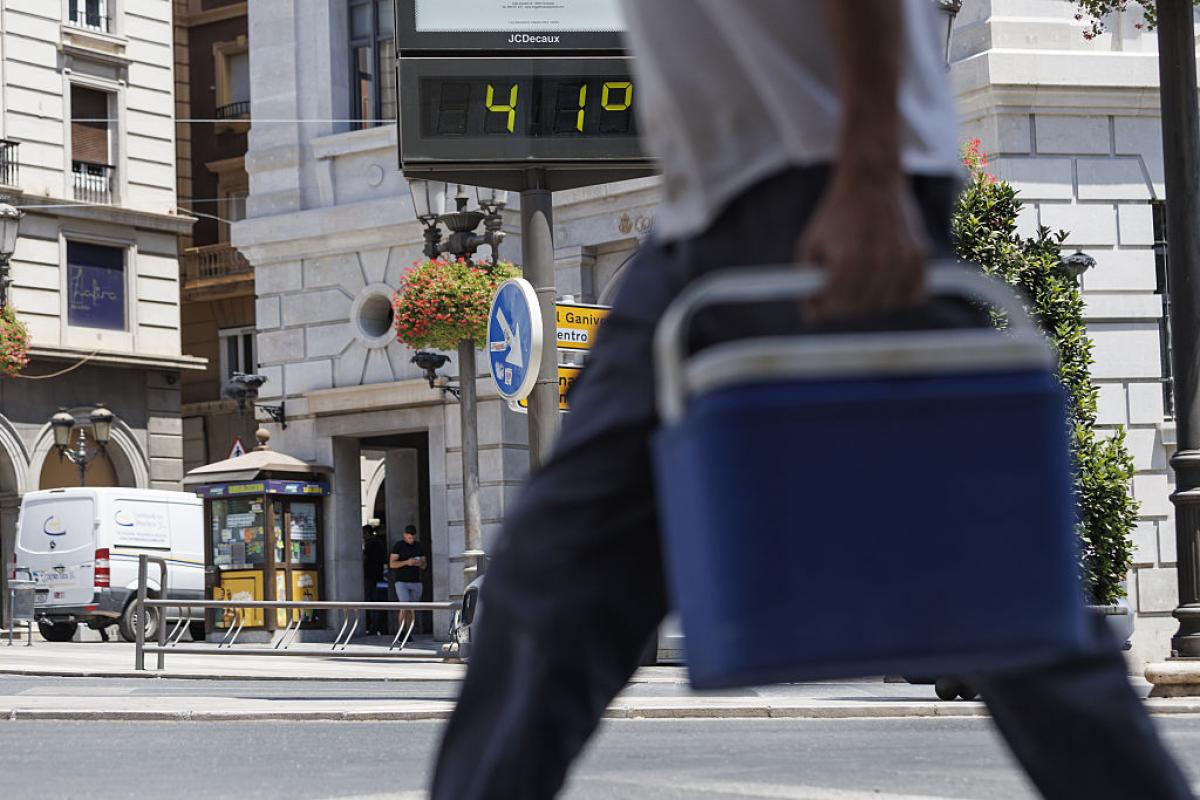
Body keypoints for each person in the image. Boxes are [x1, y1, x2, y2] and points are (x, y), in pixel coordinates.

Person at [431, 2, 1195, 799]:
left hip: (808, 185)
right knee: (552, 589)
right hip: (731, 202)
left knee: (998, 596)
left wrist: (870, 167)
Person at [389, 524, 425, 633]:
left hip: (416, 581)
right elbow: (392, 564)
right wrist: (407, 562)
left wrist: (419, 563)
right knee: (404, 606)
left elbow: (424, 565)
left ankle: (409, 632)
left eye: (413, 538)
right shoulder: (399, 546)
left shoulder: (418, 546)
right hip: (401, 581)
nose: (411, 540)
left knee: (412, 608)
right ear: (405, 535)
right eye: (409, 537)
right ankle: (401, 631)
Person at [361, 522, 388, 635]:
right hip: (378, 575)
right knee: (375, 601)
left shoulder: (370, 544)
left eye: (363, 533)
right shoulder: (380, 543)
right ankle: (376, 626)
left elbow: (364, 558)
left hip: (369, 575)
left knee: (370, 601)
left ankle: (373, 626)